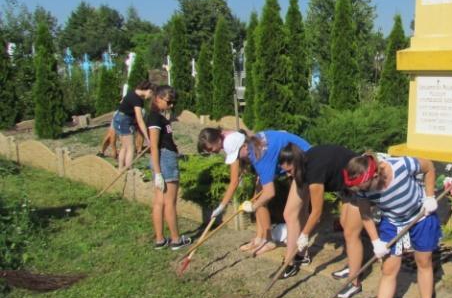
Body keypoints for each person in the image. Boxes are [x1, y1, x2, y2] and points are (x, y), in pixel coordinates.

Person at [343, 152, 441, 298]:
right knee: (388, 269)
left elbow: (428, 166)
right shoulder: (361, 189)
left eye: (360, 187)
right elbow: (365, 213)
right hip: (393, 222)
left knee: (424, 262)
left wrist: (430, 196)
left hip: (421, 215)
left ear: (374, 175)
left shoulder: (401, 166)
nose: (357, 191)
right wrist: (375, 241)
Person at [197, 127, 310, 255]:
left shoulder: (259, 156)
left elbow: (269, 192)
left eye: (238, 157)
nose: (239, 161)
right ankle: (263, 239)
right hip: (292, 159)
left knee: (290, 212)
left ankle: (283, 247)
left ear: (244, 147)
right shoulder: (250, 145)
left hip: (305, 162)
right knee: (259, 197)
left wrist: (252, 207)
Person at [278, 143, 364, 295]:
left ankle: (355, 282)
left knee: (351, 233)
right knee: (345, 224)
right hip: (346, 184)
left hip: (359, 181)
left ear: (297, 163)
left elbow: (317, 212)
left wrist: (304, 235)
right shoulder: (306, 162)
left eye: (290, 171)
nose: (289, 175)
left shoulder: (314, 172)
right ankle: (353, 267)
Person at [147, 86, 191, 250]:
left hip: (163, 159)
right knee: (169, 203)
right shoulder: (155, 118)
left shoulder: (157, 117)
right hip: (164, 161)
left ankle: (160, 240)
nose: (171, 105)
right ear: (158, 98)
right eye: (169, 101)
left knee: (159, 202)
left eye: (174, 102)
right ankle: (175, 240)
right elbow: (153, 146)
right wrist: (158, 172)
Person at [112, 81, 153, 170]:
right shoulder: (137, 100)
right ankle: (128, 171)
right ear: (149, 90)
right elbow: (140, 120)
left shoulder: (132, 92)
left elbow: (122, 101)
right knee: (131, 147)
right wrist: (147, 138)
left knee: (124, 147)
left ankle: (120, 169)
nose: (150, 98)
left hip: (118, 118)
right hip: (125, 121)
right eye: (151, 95)